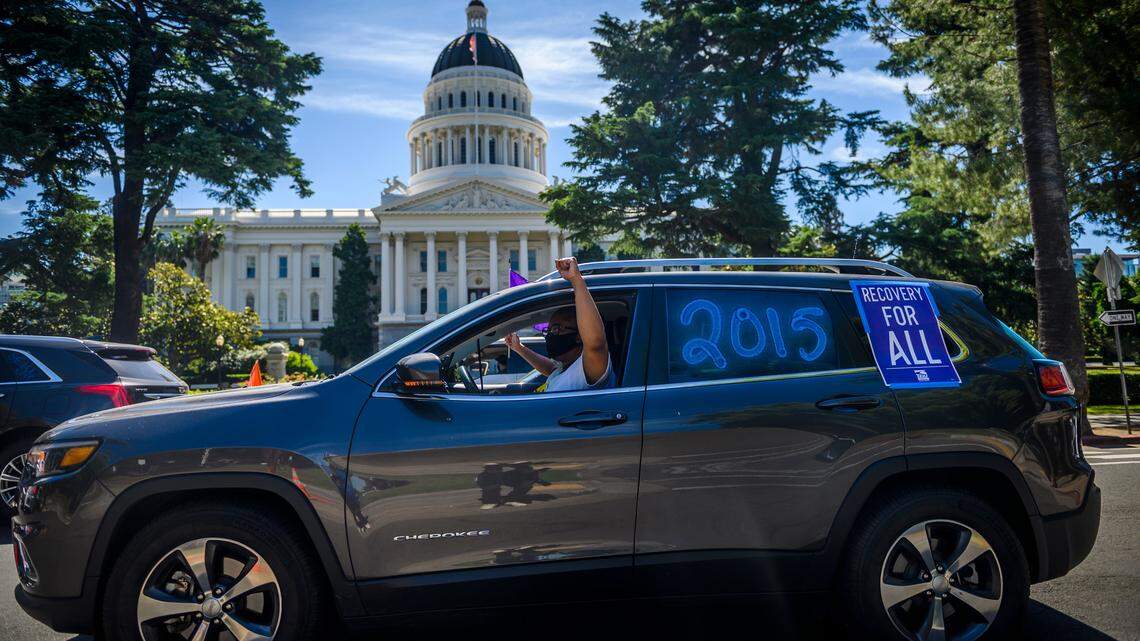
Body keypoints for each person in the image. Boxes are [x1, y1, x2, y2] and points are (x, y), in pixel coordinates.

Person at [505, 257, 613, 392]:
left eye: (556, 329)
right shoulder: (565, 368)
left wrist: (576, 280)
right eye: (549, 330)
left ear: (579, 335)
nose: (550, 335)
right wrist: (519, 348)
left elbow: (596, 343)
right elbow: (550, 369)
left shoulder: (592, 367)